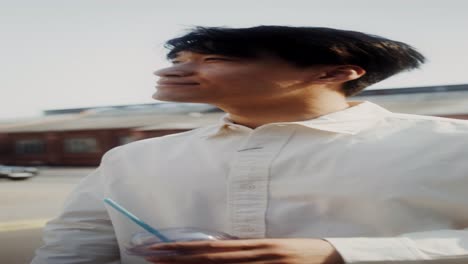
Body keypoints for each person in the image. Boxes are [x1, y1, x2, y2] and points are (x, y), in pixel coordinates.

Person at [31, 25, 468, 264]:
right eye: (178, 61)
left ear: (333, 73)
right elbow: (76, 244)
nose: (168, 73)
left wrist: (339, 253)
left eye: (214, 60)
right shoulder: (131, 158)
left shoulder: (451, 145)